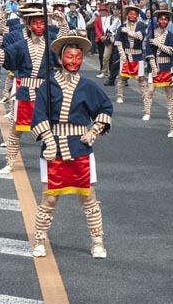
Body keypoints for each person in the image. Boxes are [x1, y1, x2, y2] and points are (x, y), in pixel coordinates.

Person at [29, 35, 113, 259]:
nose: (74, 61)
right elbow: (38, 116)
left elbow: (105, 108)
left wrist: (93, 131)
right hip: (53, 147)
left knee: (88, 196)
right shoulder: (48, 85)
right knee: (49, 198)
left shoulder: (87, 86)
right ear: (61, 58)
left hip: (80, 147)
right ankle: (39, 239)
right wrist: (47, 139)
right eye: (69, 56)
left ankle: (97, 241)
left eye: (78, 57)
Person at [1, 11, 61, 173]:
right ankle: (10, 162)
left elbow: (65, 50)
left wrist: (63, 24)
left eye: (42, 23)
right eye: (35, 23)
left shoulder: (51, 43)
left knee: (50, 130)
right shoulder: (21, 45)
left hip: (45, 92)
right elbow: (3, 57)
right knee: (16, 129)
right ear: (28, 25)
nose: (39, 26)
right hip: (25, 91)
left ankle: (51, 162)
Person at [114, 4, 151, 119]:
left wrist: (128, 32)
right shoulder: (122, 26)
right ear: (127, 15)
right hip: (126, 54)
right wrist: (121, 53)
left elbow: (140, 37)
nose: (132, 15)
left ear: (137, 15)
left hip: (137, 55)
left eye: (134, 13)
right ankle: (120, 94)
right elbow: (118, 41)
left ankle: (145, 98)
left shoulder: (141, 25)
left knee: (141, 79)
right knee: (122, 77)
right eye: (130, 13)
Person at [145, 9, 173, 124]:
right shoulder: (151, 34)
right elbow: (149, 53)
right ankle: (147, 112)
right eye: (161, 19)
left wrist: (158, 44)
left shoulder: (171, 36)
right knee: (150, 91)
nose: (163, 21)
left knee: (169, 92)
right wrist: (154, 67)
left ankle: (170, 112)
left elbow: (172, 51)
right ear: (158, 20)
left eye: (165, 19)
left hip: (167, 66)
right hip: (155, 65)